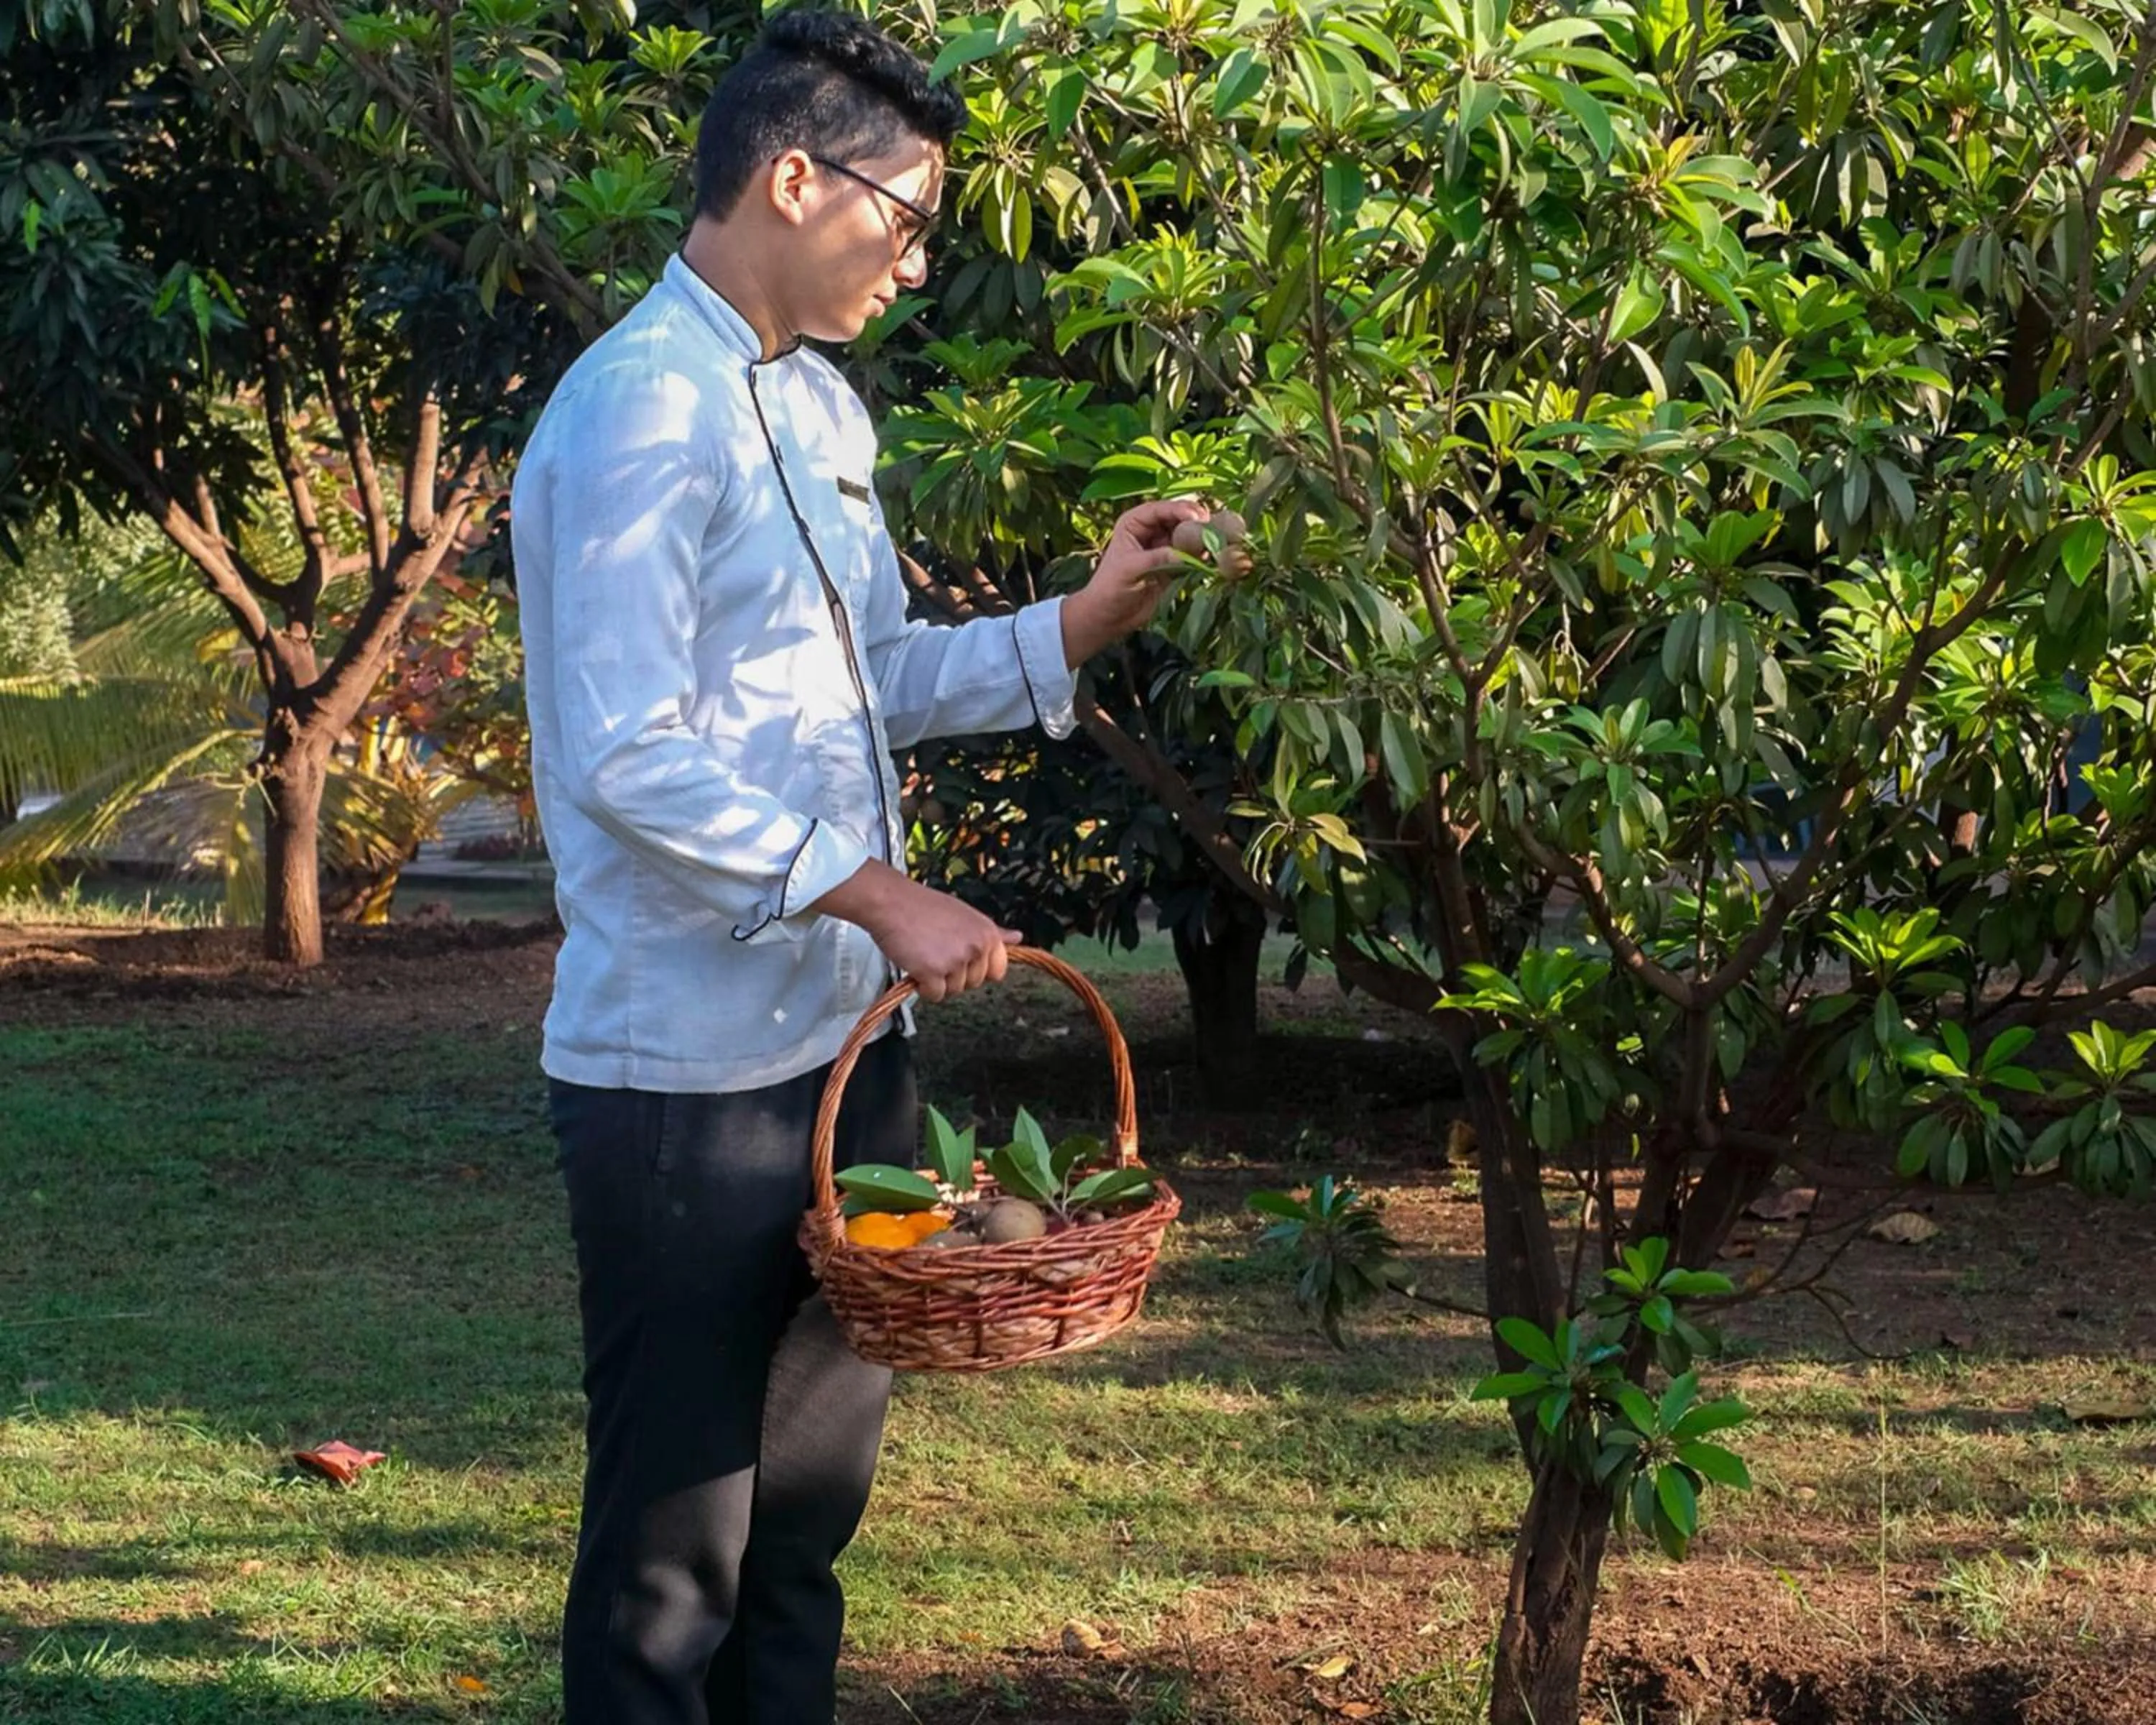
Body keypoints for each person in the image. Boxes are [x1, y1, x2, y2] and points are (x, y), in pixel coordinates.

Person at [510, 12, 1202, 1724]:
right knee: (680, 1554)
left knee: (807, 1527)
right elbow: (625, 749)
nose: (914, 259)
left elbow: (869, 677)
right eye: (907, 217)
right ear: (792, 174)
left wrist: (1078, 620)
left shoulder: (818, 408)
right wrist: (878, 889)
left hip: (840, 1063)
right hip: (685, 1084)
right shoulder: (635, 415)